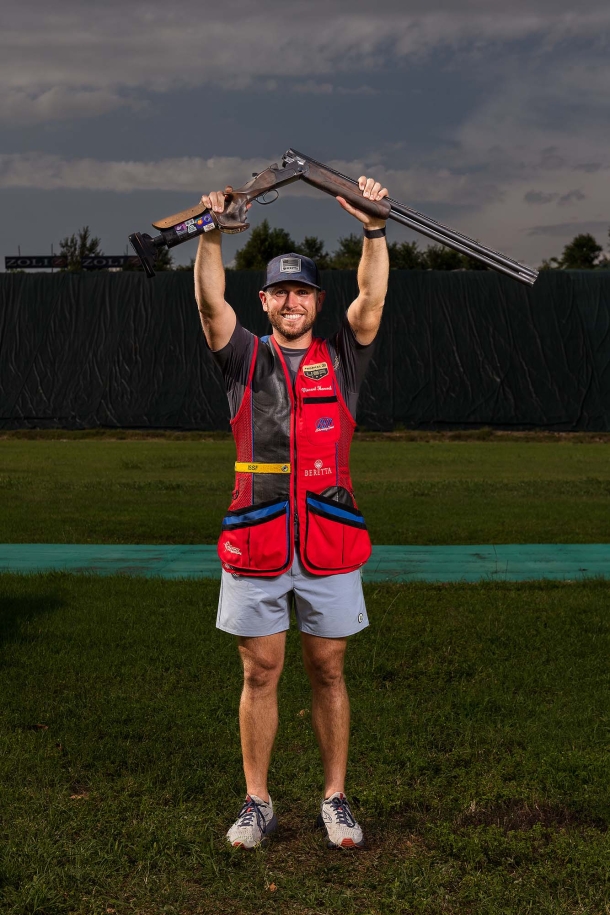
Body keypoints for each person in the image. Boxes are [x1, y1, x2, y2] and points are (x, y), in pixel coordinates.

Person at [194, 176, 389, 850]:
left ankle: (335, 797)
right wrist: (212, 230)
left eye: (302, 290)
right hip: (258, 539)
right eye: (279, 290)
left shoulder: (344, 358)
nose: (291, 300)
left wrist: (373, 227)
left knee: (329, 669)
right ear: (266, 300)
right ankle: (257, 800)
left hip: (329, 542)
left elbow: (373, 298)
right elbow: (207, 300)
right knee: (259, 672)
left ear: (315, 299)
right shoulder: (244, 357)